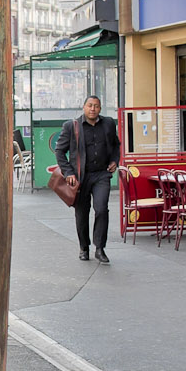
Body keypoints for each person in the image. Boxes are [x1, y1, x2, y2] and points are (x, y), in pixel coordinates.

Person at [53, 95, 120, 263]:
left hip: (101, 175)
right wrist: (69, 173)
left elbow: (116, 145)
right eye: (90, 105)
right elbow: (60, 152)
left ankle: (100, 248)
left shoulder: (108, 124)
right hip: (80, 178)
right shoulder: (71, 126)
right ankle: (84, 247)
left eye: (96, 106)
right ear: (84, 107)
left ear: (100, 108)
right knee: (82, 213)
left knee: (102, 209)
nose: (93, 109)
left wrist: (114, 160)